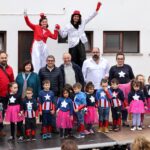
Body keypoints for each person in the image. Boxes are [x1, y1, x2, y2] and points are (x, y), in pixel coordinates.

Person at [58, 2, 102, 67]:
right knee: (73, 60)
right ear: (72, 17)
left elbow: (90, 17)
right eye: (75, 16)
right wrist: (59, 29)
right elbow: (63, 35)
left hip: (80, 43)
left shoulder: (82, 23)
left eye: (77, 16)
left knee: (83, 59)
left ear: (79, 17)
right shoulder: (68, 26)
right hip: (73, 45)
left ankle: (82, 74)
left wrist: (96, 10)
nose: (76, 18)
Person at [109, 52, 135, 127]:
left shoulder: (128, 67)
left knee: (125, 103)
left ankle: (124, 120)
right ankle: (117, 120)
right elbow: (110, 80)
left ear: (124, 59)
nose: (120, 60)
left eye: (122, 59)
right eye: (118, 59)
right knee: (116, 104)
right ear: (116, 59)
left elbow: (132, 77)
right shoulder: (113, 68)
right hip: (117, 88)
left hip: (127, 88)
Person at [0, 51, 14, 137]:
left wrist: (12, 93)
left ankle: (0, 129)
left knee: (2, 113)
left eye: (5, 57)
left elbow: (12, 82)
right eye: (2, 58)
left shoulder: (10, 68)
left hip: (6, 96)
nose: (4, 59)